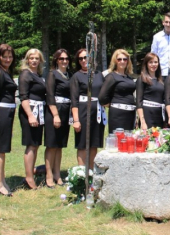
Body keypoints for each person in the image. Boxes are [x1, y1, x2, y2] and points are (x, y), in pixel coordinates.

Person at [71, 49, 106, 169]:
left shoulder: (99, 74)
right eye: (80, 58)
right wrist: (76, 120)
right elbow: (74, 100)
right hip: (82, 112)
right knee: (82, 144)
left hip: (97, 113)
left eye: (86, 57)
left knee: (94, 144)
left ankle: (91, 172)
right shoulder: (77, 76)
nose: (83, 60)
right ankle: (81, 173)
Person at [0, 44, 17, 197]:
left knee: (3, 150)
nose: (8, 59)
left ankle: (2, 180)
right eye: (4, 56)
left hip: (8, 113)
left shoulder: (6, 72)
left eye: (10, 56)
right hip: (1, 113)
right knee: (0, 149)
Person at [18, 49, 46, 190]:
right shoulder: (25, 74)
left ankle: (31, 174)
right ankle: (29, 178)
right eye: (31, 58)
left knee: (35, 145)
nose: (34, 61)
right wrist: (30, 115)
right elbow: (23, 96)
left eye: (37, 58)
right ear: (27, 60)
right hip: (30, 111)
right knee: (30, 145)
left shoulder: (38, 75)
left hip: (39, 111)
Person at [44, 49, 72, 188]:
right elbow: (49, 95)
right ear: (56, 60)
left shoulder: (69, 75)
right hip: (54, 110)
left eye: (66, 59)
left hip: (66, 111)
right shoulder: (52, 74)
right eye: (61, 59)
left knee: (60, 145)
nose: (64, 61)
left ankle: (57, 175)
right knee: (52, 145)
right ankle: (48, 176)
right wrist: (55, 115)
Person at [99, 49, 136, 132]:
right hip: (118, 114)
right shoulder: (111, 76)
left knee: (129, 141)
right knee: (117, 140)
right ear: (115, 61)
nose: (122, 61)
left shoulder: (129, 77)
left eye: (125, 59)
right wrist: (111, 104)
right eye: (119, 59)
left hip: (130, 114)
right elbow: (102, 97)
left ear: (128, 61)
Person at [136, 53, 165, 129]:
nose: (153, 64)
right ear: (146, 64)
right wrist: (142, 121)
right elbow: (139, 101)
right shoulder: (142, 79)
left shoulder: (161, 80)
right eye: (151, 62)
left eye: (155, 62)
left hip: (159, 115)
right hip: (147, 114)